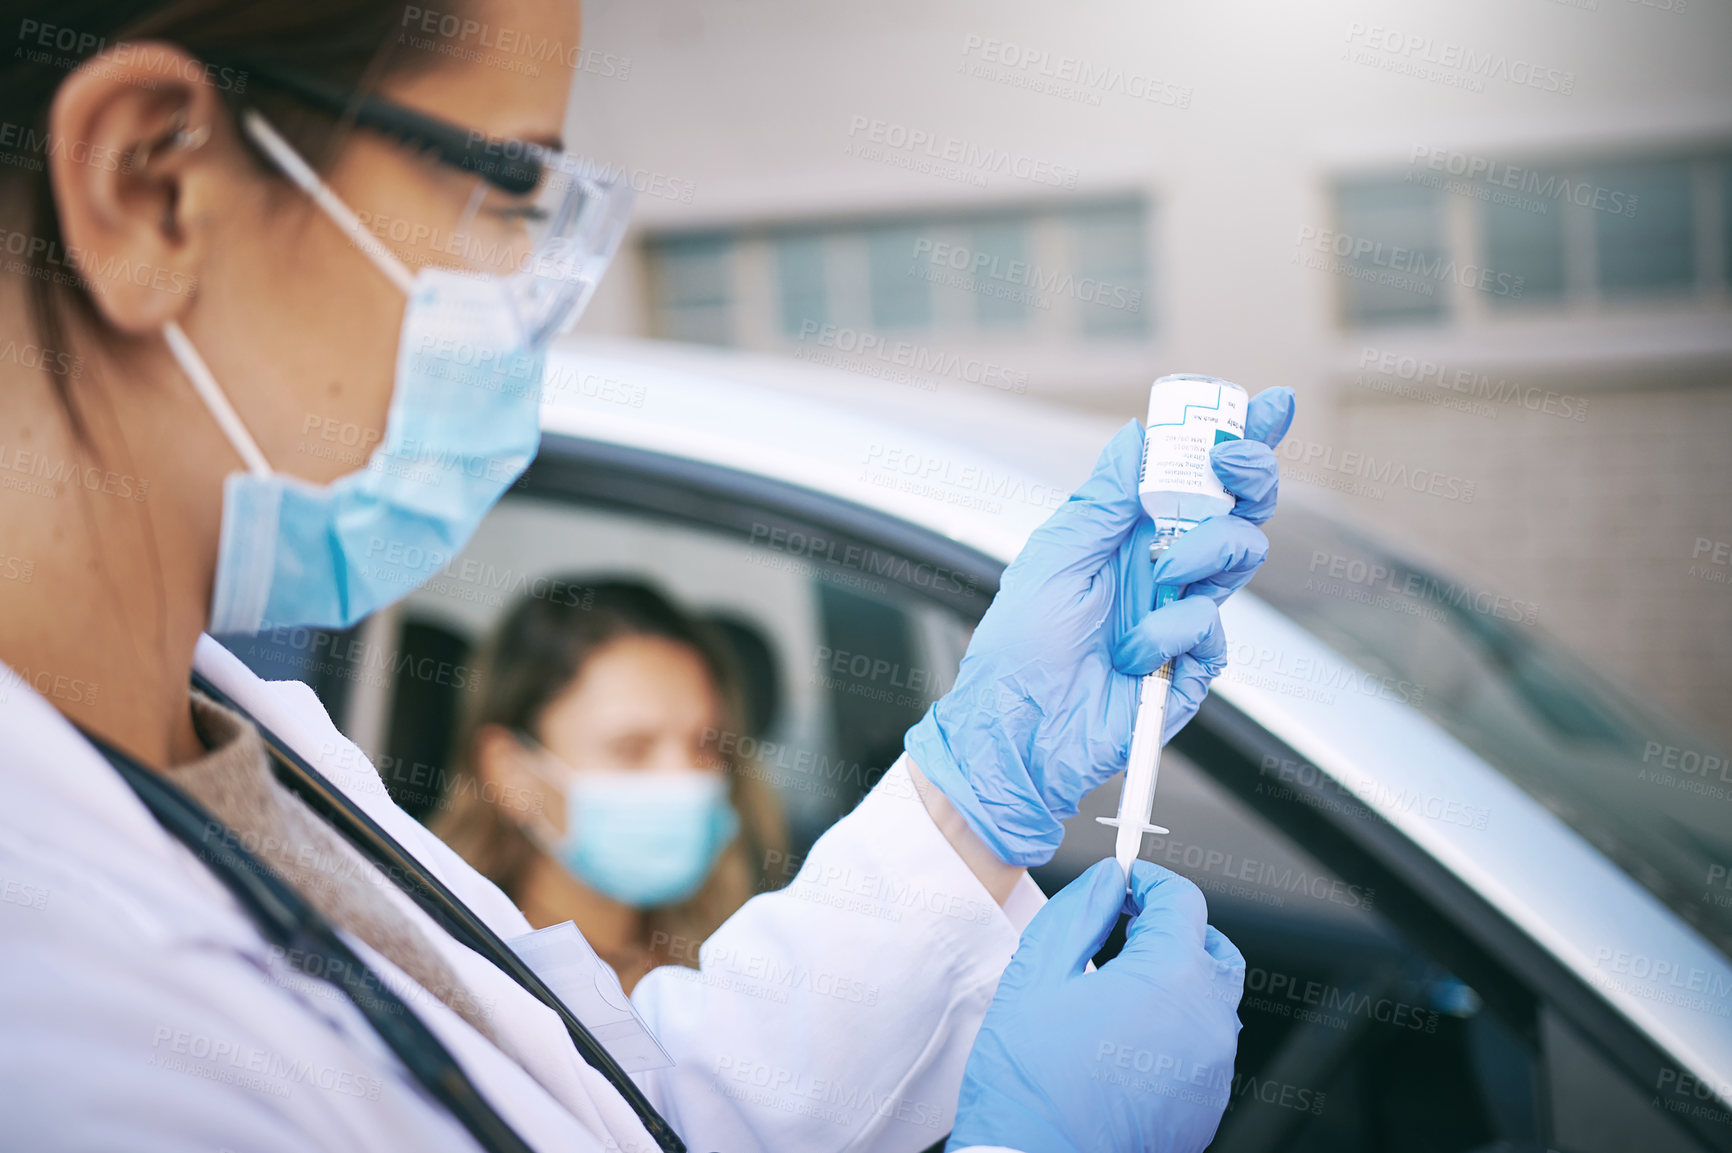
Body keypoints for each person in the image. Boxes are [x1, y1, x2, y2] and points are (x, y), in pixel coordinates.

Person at [0, 2, 1295, 1151]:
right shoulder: (51, 1018)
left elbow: (629, 1103)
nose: (537, 296)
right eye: (512, 190)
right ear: (151, 183)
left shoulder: (221, 744)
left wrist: (982, 781)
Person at [434, 579, 788, 992]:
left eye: (705, 744)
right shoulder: (459, 973)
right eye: (631, 749)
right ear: (511, 772)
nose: (684, 779)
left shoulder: (737, 960)